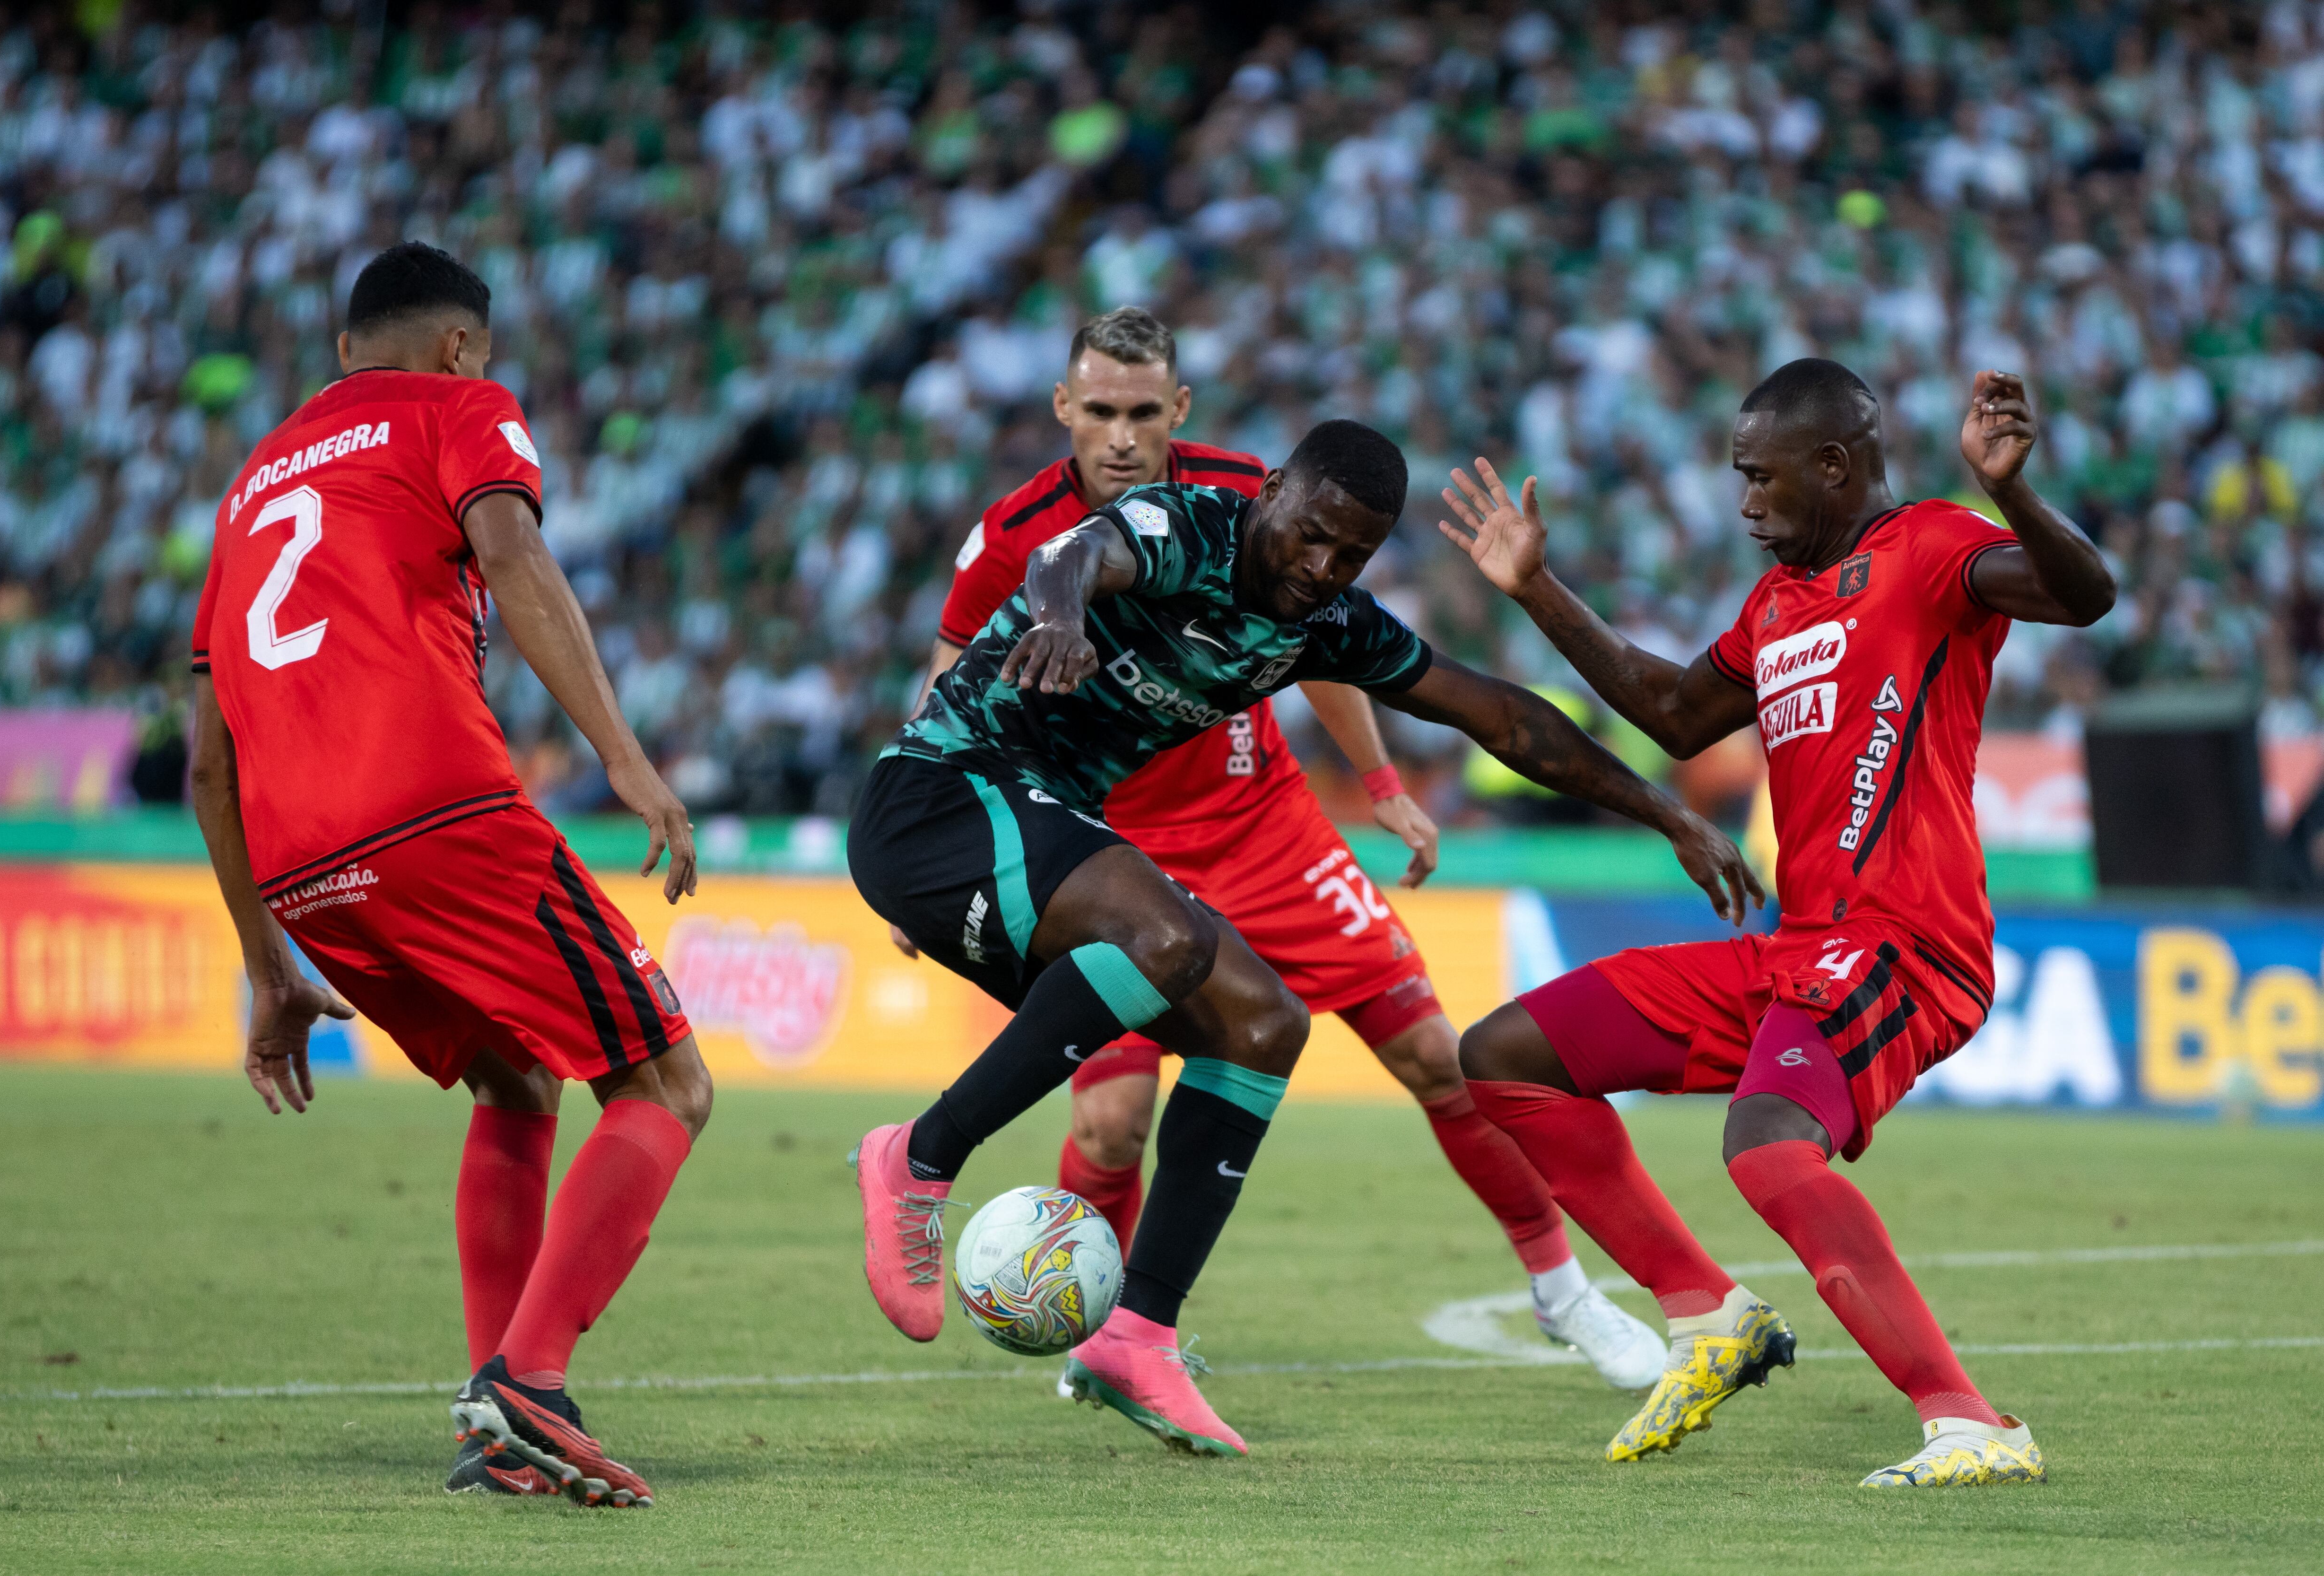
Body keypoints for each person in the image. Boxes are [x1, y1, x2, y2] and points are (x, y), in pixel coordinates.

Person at [847, 415, 1758, 1457]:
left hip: (1045, 826)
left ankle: (1137, 1335)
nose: (1323, 566)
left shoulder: (1324, 623)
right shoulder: (1185, 527)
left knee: (1264, 1022)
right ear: (1272, 490)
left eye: (1354, 553)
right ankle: (917, 1155)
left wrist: (1671, 814)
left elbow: (1503, 719)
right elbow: (1073, 550)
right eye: (1312, 533)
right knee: (1166, 939)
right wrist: (1057, 613)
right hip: (938, 801)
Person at [1437, 361, 2115, 1488]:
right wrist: (1536, 588)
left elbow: (2083, 595)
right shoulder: (1776, 603)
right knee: (1504, 1057)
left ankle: (1971, 1421)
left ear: (1835, 466)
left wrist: (2018, 498)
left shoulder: (1936, 548)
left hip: (1906, 944)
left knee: (1763, 1145)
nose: (1745, 503)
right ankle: (1707, 1311)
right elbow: (1671, 711)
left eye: (1760, 478)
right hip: (1800, 949)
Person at [187, 242, 710, 1508]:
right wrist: (625, 758)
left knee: (513, 1073)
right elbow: (518, 558)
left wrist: (268, 958)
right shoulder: (464, 408)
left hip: (302, 853)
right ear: (462, 344)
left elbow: (207, 754)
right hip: (437, 808)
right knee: (665, 1079)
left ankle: (497, 1409)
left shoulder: (255, 482)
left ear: (342, 350)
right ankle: (529, 1379)